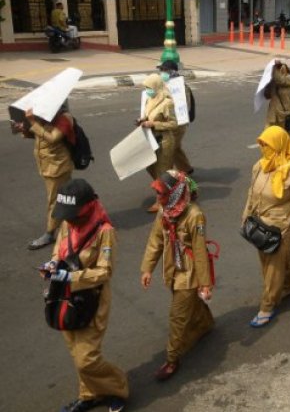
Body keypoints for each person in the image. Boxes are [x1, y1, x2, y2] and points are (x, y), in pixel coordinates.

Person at [40, 179, 128, 412]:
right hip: (64, 297)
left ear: (87, 209)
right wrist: (51, 264)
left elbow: (104, 271)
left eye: (73, 215)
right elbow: (59, 250)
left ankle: (117, 388)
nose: (68, 220)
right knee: (75, 351)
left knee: (86, 357)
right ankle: (89, 394)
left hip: (92, 299)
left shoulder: (104, 232)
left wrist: (71, 278)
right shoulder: (68, 224)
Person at [140, 170, 214, 380]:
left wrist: (205, 283)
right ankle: (205, 324)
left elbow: (199, 251)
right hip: (172, 269)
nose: (158, 198)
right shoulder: (164, 210)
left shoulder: (195, 215)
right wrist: (147, 269)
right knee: (190, 305)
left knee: (177, 316)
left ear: (175, 193)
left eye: (162, 194)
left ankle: (172, 359)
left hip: (188, 273)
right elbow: (156, 240)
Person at [241, 126, 290, 327]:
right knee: (271, 261)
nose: (263, 148)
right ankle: (288, 286)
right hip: (260, 223)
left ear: (279, 145)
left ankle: (267, 306)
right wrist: (246, 214)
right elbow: (251, 192)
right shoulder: (259, 166)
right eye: (262, 144)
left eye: (268, 145)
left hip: (282, 228)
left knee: (272, 268)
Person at [12, 104, 74, 250]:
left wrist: (33, 122)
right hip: (47, 165)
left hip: (57, 167)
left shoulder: (65, 118)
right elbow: (39, 136)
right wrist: (25, 130)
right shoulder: (46, 116)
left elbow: (52, 138)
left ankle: (50, 233)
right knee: (66, 196)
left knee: (54, 200)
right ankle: (80, 223)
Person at [138, 74, 178, 212]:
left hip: (164, 141)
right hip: (151, 139)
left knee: (162, 172)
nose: (147, 90)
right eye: (146, 87)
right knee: (150, 167)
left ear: (156, 86)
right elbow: (148, 115)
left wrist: (153, 124)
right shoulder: (150, 99)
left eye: (149, 87)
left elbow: (174, 123)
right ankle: (171, 187)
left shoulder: (167, 102)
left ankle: (161, 201)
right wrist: (142, 119)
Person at [158, 60, 194, 174]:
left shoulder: (181, 87)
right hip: (169, 121)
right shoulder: (164, 85)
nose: (161, 73)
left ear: (171, 72)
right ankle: (186, 169)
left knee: (170, 149)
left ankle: (168, 175)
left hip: (178, 123)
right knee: (175, 147)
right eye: (161, 70)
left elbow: (185, 107)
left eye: (164, 70)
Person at [264, 60, 290, 156]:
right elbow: (267, 95)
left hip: (285, 115)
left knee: (287, 138)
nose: (280, 70)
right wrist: (268, 84)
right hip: (273, 114)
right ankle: (271, 157)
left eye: (280, 68)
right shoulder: (274, 82)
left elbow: (280, 80)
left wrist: (273, 68)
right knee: (267, 137)